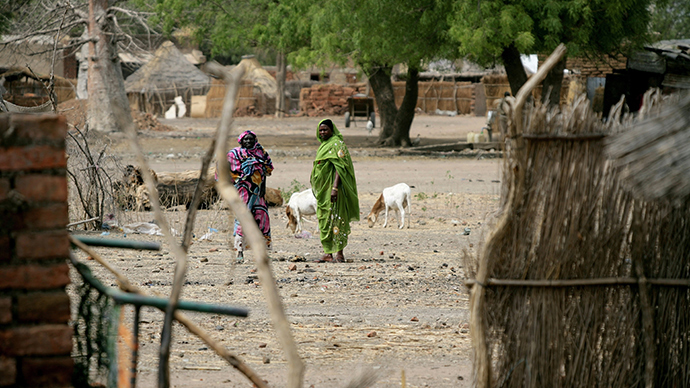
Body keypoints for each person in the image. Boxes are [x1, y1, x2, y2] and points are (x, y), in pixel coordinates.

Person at [310, 119, 359, 263]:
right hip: (323, 191)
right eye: (320, 130)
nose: (322, 132)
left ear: (332, 130)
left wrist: (335, 188)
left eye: (325, 130)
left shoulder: (337, 144)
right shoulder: (324, 145)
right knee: (325, 219)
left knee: (337, 217)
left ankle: (339, 254)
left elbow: (340, 168)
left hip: (334, 189)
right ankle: (327, 253)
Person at [226, 130, 274, 260]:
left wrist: (263, 188)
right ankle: (240, 250)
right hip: (242, 191)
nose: (248, 141)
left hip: (258, 192)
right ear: (241, 141)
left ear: (255, 140)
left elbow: (265, 171)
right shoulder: (234, 154)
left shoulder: (261, 153)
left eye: (251, 139)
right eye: (245, 139)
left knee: (262, 218)